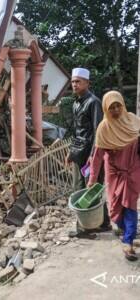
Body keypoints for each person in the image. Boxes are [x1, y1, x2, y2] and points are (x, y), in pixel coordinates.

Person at [88, 91, 140, 261]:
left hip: (133, 170)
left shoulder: (133, 120)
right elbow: (96, 158)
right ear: (106, 109)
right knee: (115, 210)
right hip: (114, 172)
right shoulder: (104, 129)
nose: (116, 110)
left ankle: (128, 242)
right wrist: (92, 180)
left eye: (118, 105)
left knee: (130, 205)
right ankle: (126, 231)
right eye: (112, 107)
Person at [66, 67, 110, 235]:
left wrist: (93, 156)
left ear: (87, 83)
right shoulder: (76, 102)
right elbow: (76, 132)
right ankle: (94, 224)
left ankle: (94, 225)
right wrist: (70, 152)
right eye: (73, 81)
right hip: (79, 153)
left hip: (91, 154)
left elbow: (98, 132)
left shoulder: (94, 102)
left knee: (92, 188)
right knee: (79, 188)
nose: (75, 84)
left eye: (78, 81)